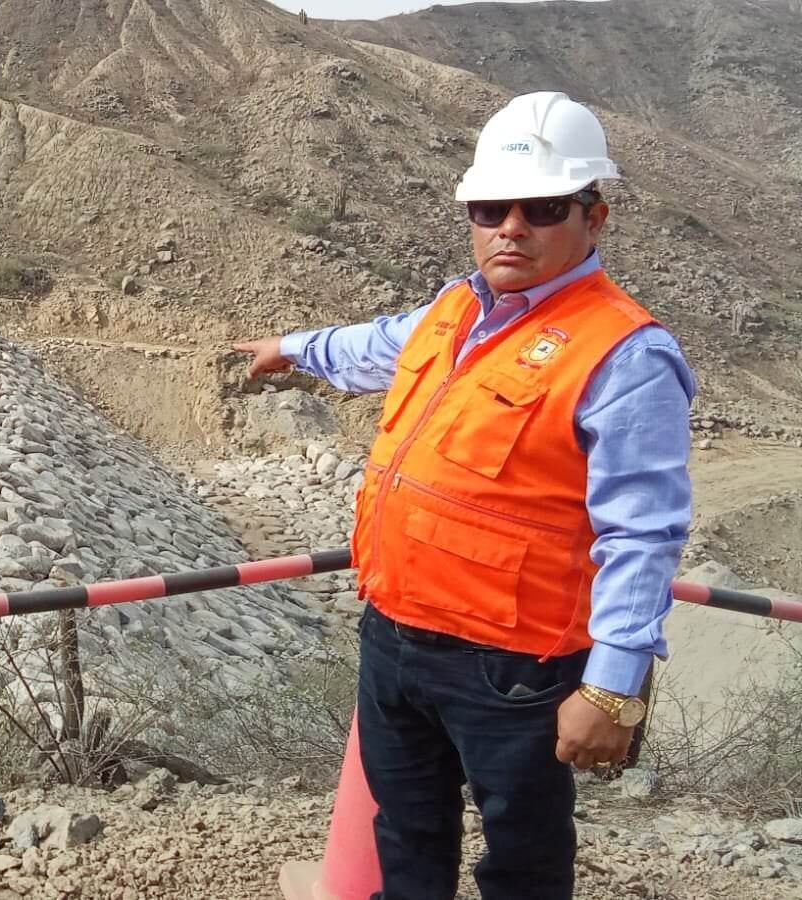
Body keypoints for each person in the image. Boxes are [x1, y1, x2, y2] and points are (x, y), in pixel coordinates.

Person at [234, 92, 693, 899]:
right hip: (395, 636)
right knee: (404, 834)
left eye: (542, 207)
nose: (510, 226)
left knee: (520, 856)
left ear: (595, 217)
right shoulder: (456, 308)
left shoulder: (626, 355)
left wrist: (614, 684)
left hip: (512, 667)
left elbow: (642, 534)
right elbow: (375, 345)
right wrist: (292, 348)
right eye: (489, 208)